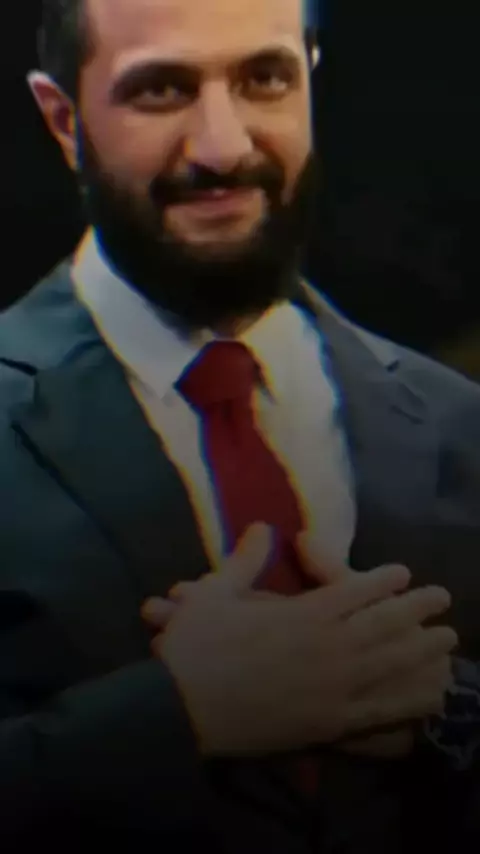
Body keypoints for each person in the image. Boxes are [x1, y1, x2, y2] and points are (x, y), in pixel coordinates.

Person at [1, 0, 480, 850]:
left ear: (310, 81)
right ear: (64, 120)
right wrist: (178, 715)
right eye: (161, 90)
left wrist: (437, 710)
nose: (223, 148)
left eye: (264, 79)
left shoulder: (459, 424)